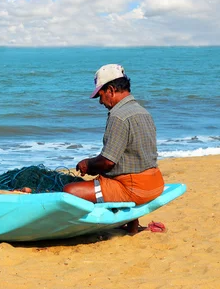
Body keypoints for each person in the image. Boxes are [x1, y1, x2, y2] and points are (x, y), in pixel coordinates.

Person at [63, 64, 164, 234]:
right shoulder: (142, 112)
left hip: (134, 188)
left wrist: (88, 164)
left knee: (70, 191)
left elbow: (108, 162)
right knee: (110, 179)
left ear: (110, 90)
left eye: (100, 96)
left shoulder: (119, 116)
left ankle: (82, 227)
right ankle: (131, 224)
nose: (101, 102)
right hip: (154, 183)